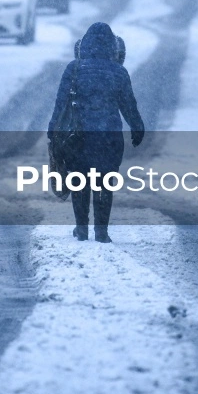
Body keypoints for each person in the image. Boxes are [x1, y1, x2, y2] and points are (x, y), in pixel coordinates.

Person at [49, 22, 144, 243]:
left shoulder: (73, 69)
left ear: (84, 45)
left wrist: (53, 131)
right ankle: (101, 231)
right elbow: (129, 105)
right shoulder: (119, 72)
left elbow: (60, 104)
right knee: (104, 182)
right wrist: (137, 127)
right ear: (113, 48)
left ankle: (81, 228)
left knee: (79, 181)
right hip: (108, 138)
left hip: (78, 138)